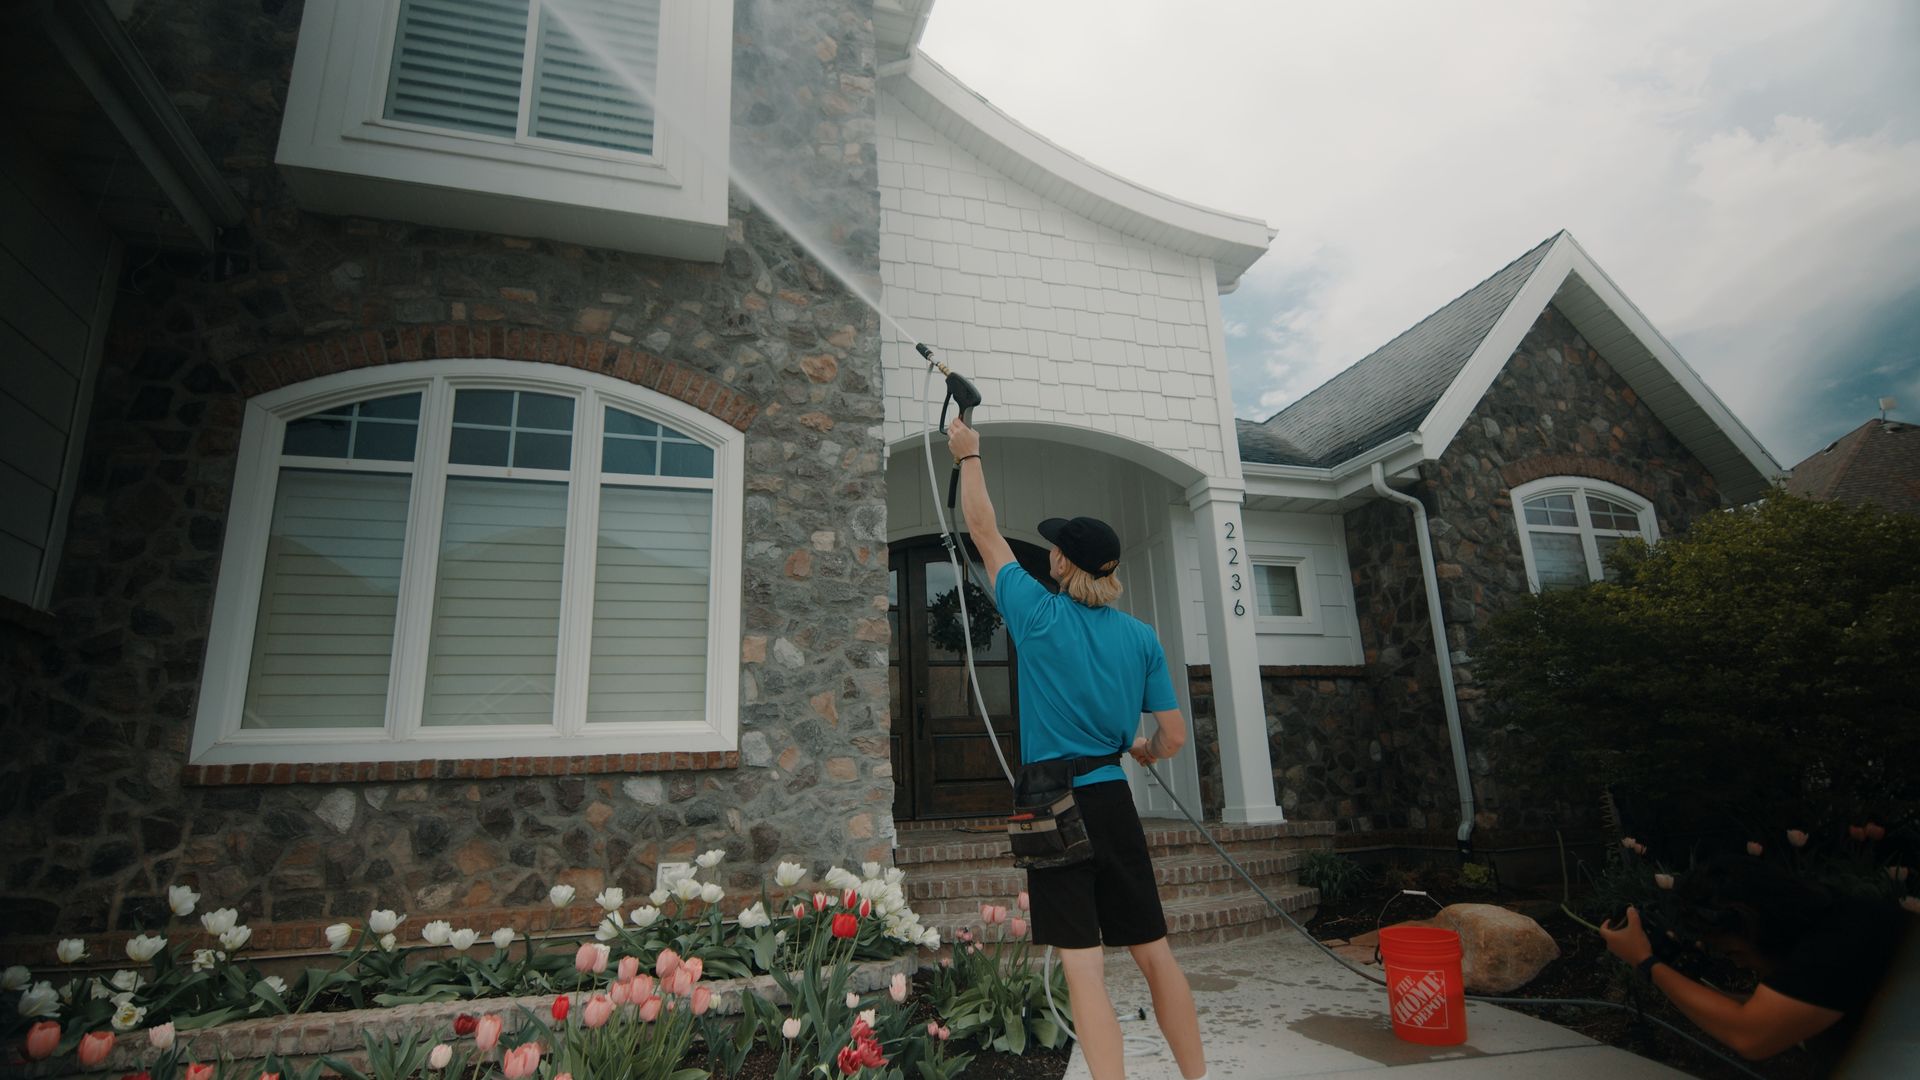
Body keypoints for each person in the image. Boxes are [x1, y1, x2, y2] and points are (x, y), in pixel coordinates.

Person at [946, 416, 1208, 1080]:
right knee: (1155, 954)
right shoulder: (1142, 638)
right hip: (1112, 799)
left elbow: (983, 530)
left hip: (1051, 801)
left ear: (1062, 562)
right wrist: (1146, 750)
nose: (1051, 553)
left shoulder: (1037, 614)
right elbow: (1173, 735)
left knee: (1084, 970)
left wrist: (968, 453)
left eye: (1057, 547)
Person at [1599, 853, 1915, 1066]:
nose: (1738, 964)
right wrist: (1676, 977)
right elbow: (1766, 1011)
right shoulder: (1836, 923)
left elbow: (1750, 1036)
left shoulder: (1842, 943)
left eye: (1734, 952)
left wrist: (1646, 962)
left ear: (1751, 924)